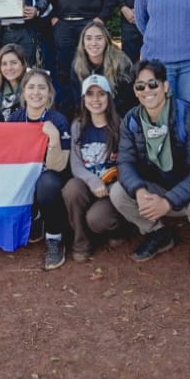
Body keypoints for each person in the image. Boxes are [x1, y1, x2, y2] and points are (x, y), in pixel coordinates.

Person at [110, 59, 190, 269]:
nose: (147, 90)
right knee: (118, 192)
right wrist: (140, 190)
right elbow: (125, 162)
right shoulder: (132, 120)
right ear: (135, 91)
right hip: (157, 186)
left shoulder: (187, 116)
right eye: (140, 86)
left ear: (166, 86)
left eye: (153, 84)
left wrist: (169, 202)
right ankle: (157, 232)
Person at [61, 74, 126, 260]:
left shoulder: (119, 126)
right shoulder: (78, 126)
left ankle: (117, 229)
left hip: (111, 189)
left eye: (101, 94)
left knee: (97, 220)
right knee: (71, 189)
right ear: (83, 99)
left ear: (109, 97)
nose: (95, 99)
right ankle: (81, 242)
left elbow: (125, 163)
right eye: (90, 94)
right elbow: (76, 164)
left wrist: (110, 187)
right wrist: (92, 180)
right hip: (89, 185)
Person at [17, 68, 76, 270]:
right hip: (23, 178)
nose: (36, 92)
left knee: (47, 181)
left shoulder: (58, 120)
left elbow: (58, 166)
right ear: (23, 91)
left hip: (51, 180)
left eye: (42, 87)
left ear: (49, 93)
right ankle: (32, 220)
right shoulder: (15, 120)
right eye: (31, 87)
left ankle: (54, 237)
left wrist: (54, 139)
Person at [69, 18, 136, 109]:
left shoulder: (121, 63)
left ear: (106, 42)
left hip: (118, 113)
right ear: (83, 43)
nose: (94, 43)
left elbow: (128, 100)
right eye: (89, 38)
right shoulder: (77, 66)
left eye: (99, 38)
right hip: (90, 113)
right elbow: (78, 101)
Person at [0, 44, 31, 122]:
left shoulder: (33, 90)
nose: (9, 68)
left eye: (13, 63)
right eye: (4, 64)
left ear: (23, 64)